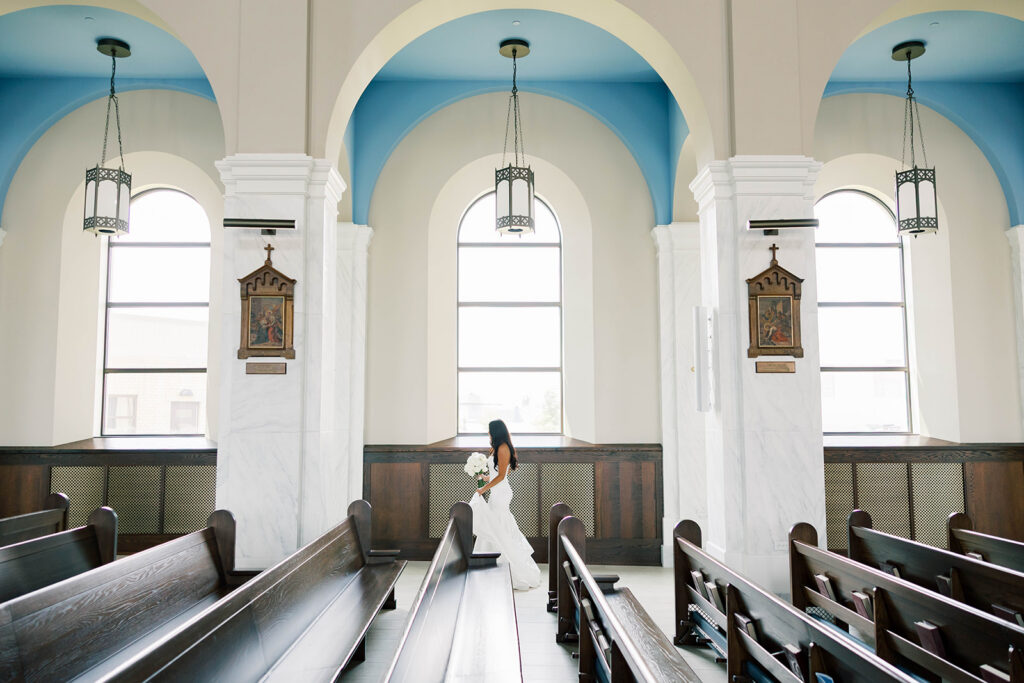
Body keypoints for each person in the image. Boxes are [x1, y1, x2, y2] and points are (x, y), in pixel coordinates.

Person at [469, 419, 541, 590]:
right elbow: (498, 473)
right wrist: (484, 478)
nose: (488, 434)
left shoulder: (503, 448)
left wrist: (483, 488)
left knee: (497, 525)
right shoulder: (497, 447)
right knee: (494, 526)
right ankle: (489, 566)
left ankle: (506, 568)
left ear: (495, 431)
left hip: (501, 494)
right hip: (497, 491)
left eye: (489, 431)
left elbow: (502, 476)